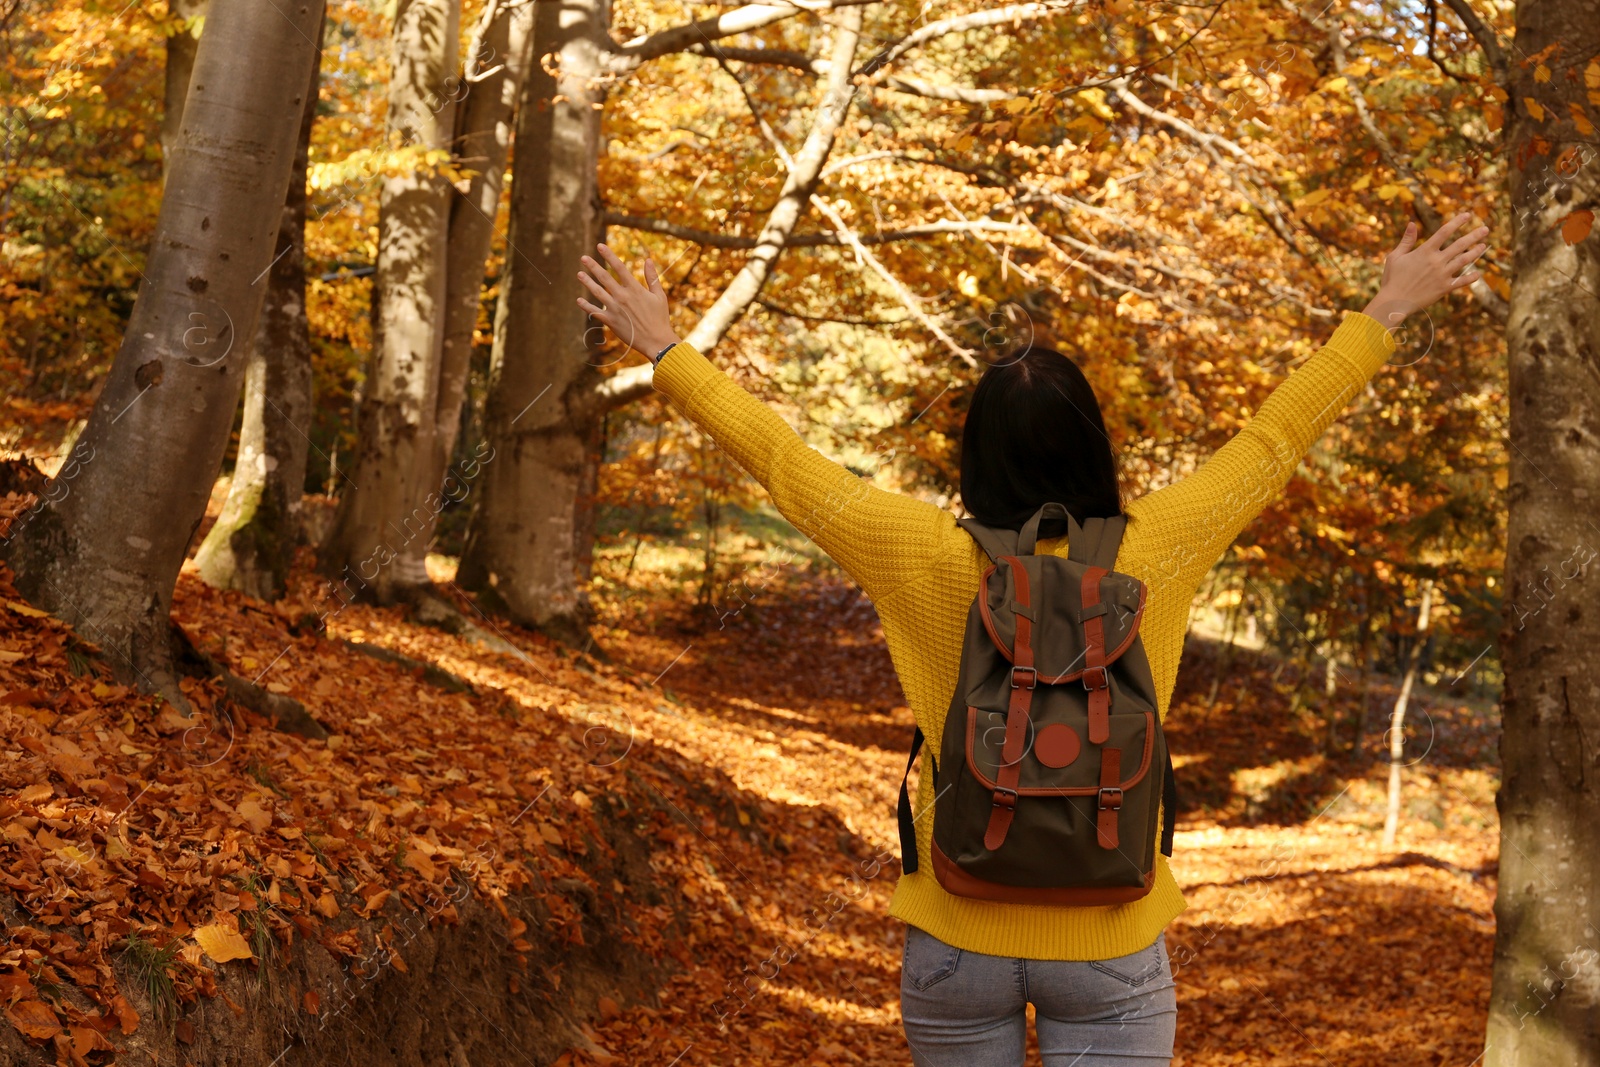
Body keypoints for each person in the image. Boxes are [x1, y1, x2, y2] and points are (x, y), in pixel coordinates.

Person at [574, 213, 1489, 1066]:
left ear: (975, 454)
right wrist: (1386, 307)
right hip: (1112, 937)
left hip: (956, 930)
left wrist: (663, 346)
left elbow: (780, 458)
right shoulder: (1160, 545)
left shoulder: (916, 549)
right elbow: (1276, 436)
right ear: (1094, 448)